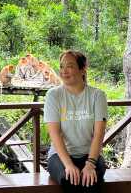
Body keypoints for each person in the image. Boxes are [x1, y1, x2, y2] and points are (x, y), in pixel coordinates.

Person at [44, 50, 107, 193]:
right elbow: (55, 134)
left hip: (90, 154)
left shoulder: (97, 96)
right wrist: (69, 165)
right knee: (70, 178)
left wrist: (90, 164)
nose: (64, 71)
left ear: (83, 69)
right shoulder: (53, 95)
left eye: (70, 66)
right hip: (60, 156)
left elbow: (99, 134)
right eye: (61, 66)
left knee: (91, 179)